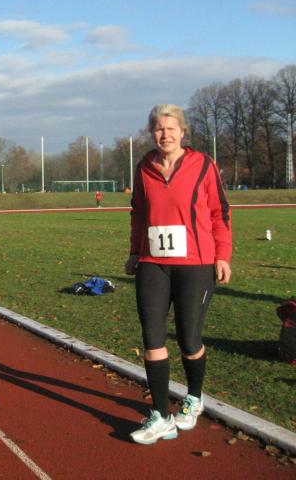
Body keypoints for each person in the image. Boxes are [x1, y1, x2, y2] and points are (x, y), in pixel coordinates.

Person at [125, 104, 231, 445]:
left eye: (171, 128)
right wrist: (134, 252)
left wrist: (222, 255)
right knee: (152, 337)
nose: (165, 134)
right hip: (153, 263)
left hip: (195, 264)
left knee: (189, 339)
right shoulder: (144, 167)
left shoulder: (203, 165)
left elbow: (219, 212)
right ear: (151, 132)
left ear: (183, 132)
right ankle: (160, 416)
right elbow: (138, 213)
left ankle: (194, 397)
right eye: (159, 128)